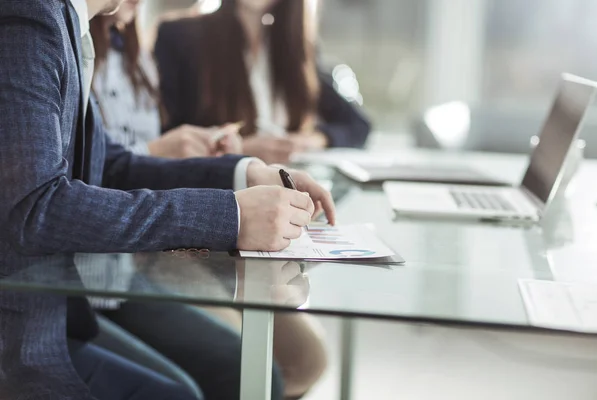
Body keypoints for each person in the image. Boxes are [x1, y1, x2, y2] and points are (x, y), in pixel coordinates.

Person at [0, 0, 335, 399]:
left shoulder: (65, 23)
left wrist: (242, 174)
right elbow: (35, 209)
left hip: (59, 313)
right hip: (22, 334)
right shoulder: (31, 18)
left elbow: (112, 166)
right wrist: (231, 216)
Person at [155, 0, 372, 165]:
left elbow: (357, 125)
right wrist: (240, 149)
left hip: (291, 187)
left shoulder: (296, 49)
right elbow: (169, 139)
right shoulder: (180, 36)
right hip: (223, 193)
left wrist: (308, 141)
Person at [90, 0, 243, 158]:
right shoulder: (75, 57)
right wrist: (155, 151)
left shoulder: (140, 61)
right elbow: (87, 167)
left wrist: (201, 145)